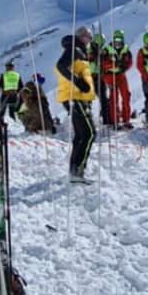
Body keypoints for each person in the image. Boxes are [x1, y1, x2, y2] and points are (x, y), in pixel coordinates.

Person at [55, 27, 96, 182]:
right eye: (89, 37)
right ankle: (78, 172)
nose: (90, 41)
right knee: (89, 133)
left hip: (77, 97)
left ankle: (74, 171)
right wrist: (78, 83)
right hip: (75, 97)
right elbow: (61, 66)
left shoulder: (78, 50)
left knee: (81, 135)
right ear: (82, 36)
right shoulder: (75, 49)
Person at [102, 29, 133, 129]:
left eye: (119, 39)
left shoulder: (126, 50)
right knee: (113, 98)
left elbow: (129, 62)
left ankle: (126, 120)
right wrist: (114, 64)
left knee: (126, 96)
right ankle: (115, 121)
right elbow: (103, 64)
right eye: (116, 39)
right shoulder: (107, 50)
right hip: (110, 76)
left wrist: (124, 67)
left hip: (121, 75)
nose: (117, 42)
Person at [87, 30, 110, 124]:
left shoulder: (103, 52)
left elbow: (106, 63)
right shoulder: (88, 50)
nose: (98, 45)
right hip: (89, 77)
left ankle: (107, 120)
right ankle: (88, 121)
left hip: (99, 77)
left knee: (104, 100)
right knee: (87, 101)